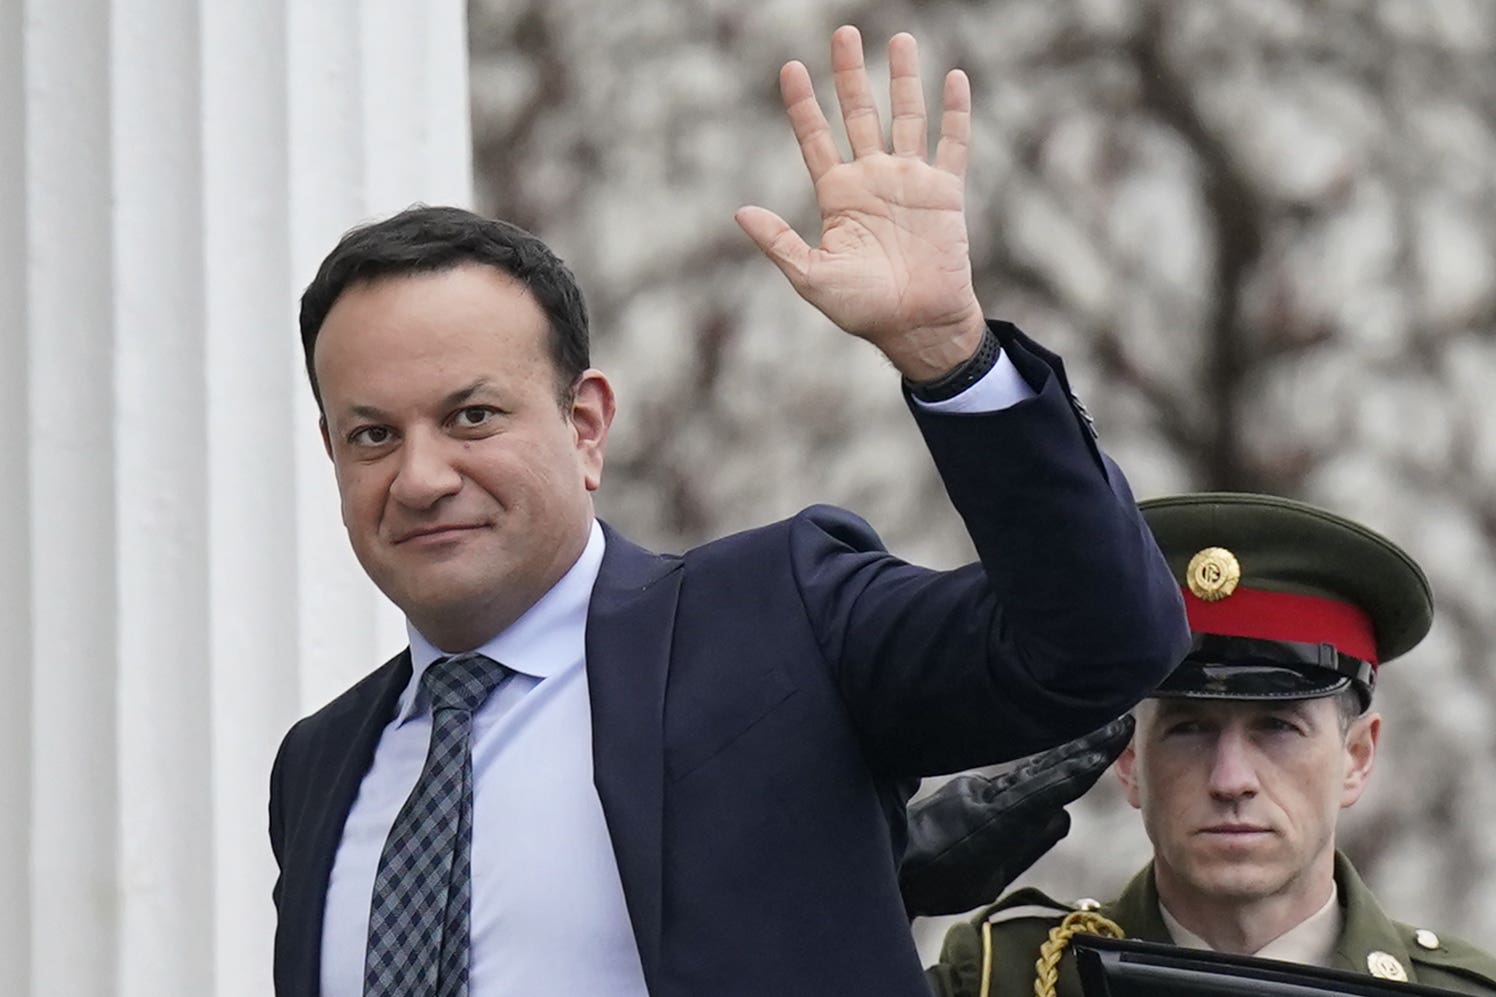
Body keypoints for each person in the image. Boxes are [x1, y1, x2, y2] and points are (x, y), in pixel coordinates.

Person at [267, 26, 1189, 997]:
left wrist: (950, 356)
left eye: (471, 416)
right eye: (372, 434)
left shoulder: (770, 622)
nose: (419, 476)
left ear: (585, 427)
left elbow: (1102, 643)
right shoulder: (320, 766)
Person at [924, 492, 1496, 997]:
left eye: (1278, 728)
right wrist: (874, 882)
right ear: (1128, 761)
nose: (1230, 780)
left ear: (1357, 757)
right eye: (1188, 729)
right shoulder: (1002, 979)